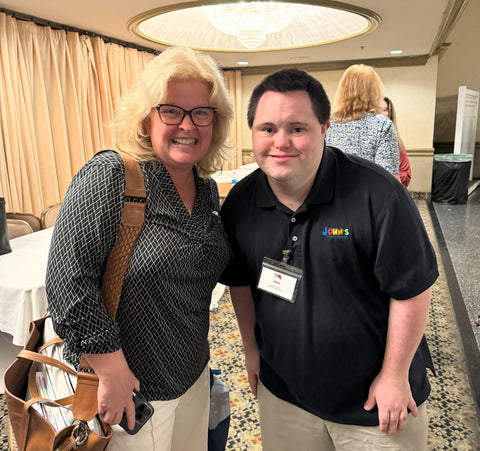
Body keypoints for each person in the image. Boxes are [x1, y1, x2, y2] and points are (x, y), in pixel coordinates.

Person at [220, 68, 438, 450]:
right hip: (285, 395)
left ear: (325, 128)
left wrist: (394, 374)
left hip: (373, 404)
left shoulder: (377, 194)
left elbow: (412, 289)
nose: (281, 142)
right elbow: (240, 282)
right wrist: (252, 352)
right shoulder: (241, 203)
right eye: (267, 128)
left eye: (297, 128)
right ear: (252, 132)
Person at [46, 46, 233, 450]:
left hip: (193, 377)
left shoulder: (204, 191)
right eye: (171, 111)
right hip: (131, 391)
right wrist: (111, 370)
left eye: (201, 112)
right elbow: (66, 284)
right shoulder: (113, 175)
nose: (188, 125)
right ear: (146, 118)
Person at [326, 64, 400, 180]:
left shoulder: (327, 125)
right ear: (374, 92)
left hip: (331, 194)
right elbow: (389, 179)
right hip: (366, 196)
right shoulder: (382, 125)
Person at [380, 96, 412, 187]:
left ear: (389, 114)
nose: (380, 114)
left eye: (384, 110)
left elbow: (406, 174)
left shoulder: (396, 142)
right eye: (377, 110)